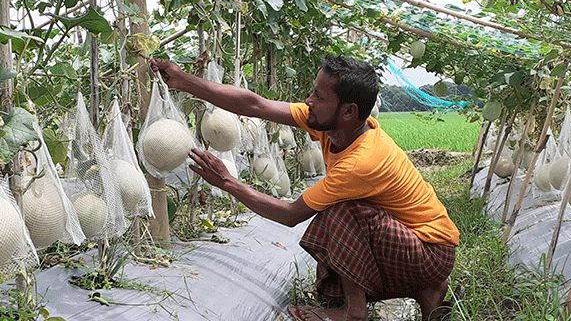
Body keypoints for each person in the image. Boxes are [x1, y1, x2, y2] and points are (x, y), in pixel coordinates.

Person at [150, 55, 459, 321]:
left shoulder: (361, 162)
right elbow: (254, 105)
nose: (309, 101)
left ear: (349, 112)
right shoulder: (339, 126)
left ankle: (356, 313)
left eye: (319, 96)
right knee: (337, 214)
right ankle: (427, 289)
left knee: (339, 211)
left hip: (430, 252)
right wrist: (182, 80)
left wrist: (227, 182)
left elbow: (290, 215)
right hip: (415, 243)